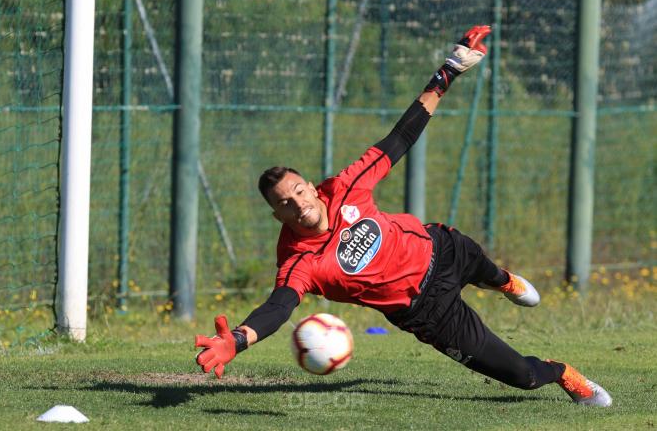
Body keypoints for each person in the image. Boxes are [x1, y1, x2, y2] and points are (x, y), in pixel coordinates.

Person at [194, 26, 612, 407]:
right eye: (284, 202)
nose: (298, 203)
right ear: (276, 215)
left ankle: (502, 281)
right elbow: (280, 306)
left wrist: (449, 69)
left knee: (486, 269)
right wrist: (237, 340)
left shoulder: (345, 185)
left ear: (311, 187)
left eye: (299, 191)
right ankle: (562, 373)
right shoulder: (299, 261)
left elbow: (401, 135)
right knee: (522, 377)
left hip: (442, 250)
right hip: (427, 311)